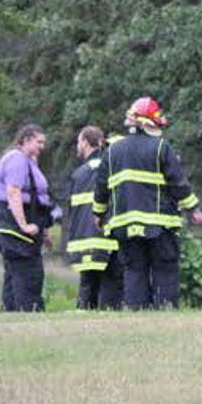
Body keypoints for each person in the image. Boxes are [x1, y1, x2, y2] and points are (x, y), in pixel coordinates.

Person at [92, 97, 202, 309]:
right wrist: (193, 208)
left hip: (124, 225)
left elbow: (101, 187)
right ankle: (166, 310)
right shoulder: (162, 147)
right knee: (164, 268)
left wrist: (98, 214)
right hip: (160, 225)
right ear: (149, 122)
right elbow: (178, 183)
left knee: (134, 269)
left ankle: (138, 314)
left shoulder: (112, 151)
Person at [0, 124, 53, 312]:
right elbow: (13, 192)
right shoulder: (17, 159)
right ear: (26, 140)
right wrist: (24, 225)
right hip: (17, 230)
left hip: (25, 227)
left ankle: (11, 313)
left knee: (14, 275)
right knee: (29, 273)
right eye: (39, 142)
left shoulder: (27, 161)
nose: (42, 146)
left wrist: (43, 231)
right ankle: (29, 312)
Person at [64, 126, 122, 309]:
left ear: (87, 142)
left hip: (84, 240)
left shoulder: (79, 173)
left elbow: (71, 211)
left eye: (79, 142)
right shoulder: (111, 167)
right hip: (108, 238)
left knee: (87, 286)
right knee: (110, 287)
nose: (77, 146)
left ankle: (83, 318)